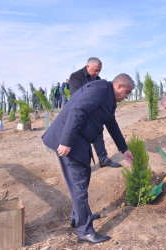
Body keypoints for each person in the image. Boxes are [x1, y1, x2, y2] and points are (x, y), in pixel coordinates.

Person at [42, 74, 135, 244]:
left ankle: (78, 217)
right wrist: (67, 140)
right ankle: (85, 231)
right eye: (127, 91)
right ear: (119, 86)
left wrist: (124, 149)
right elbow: (78, 109)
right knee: (79, 184)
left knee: (81, 180)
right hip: (71, 140)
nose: (127, 96)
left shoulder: (109, 98)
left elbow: (111, 124)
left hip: (79, 140)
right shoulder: (100, 88)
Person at [69, 57, 121, 168]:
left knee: (98, 132)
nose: (97, 73)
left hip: (93, 114)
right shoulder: (75, 77)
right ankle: (81, 165)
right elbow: (76, 96)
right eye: (95, 70)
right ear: (87, 66)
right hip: (80, 114)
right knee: (80, 141)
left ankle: (103, 159)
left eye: (99, 71)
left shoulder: (98, 79)